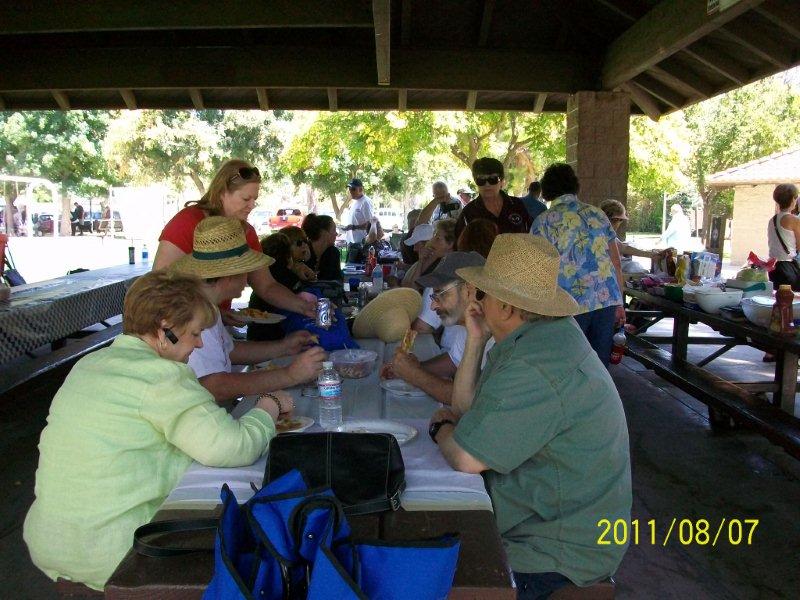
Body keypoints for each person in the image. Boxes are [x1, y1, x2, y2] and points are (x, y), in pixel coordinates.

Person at [23, 271, 293, 591]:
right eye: (194, 332)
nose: (200, 342)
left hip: (52, 541)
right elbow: (233, 447)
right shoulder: (160, 376)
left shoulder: (90, 364)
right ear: (166, 329)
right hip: (114, 551)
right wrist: (269, 407)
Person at [427, 234, 632, 598]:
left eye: (484, 293)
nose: (478, 300)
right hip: (554, 524)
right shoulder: (538, 337)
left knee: (423, 573)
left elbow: (465, 455)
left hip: (554, 552)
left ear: (505, 308)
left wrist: (442, 429)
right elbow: (467, 410)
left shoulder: (536, 362)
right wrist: (475, 339)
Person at [171, 216, 325, 406]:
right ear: (230, 276)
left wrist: (284, 346)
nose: (248, 280)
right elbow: (214, 386)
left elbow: (229, 350)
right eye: (247, 271)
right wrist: (290, 375)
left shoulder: (206, 304)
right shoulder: (192, 312)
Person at [153, 159, 315, 319]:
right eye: (246, 199)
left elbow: (266, 285)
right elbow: (159, 284)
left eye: (254, 200)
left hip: (214, 325)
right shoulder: (187, 223)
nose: (252, 205)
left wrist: (304, 307)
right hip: (182, 323)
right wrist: (209, 314)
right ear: (222, 193)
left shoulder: (245, 231)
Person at [531, 163, 625, 366]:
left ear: (547, 189)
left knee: (568, 364)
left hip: (567, 303)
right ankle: (600, 398)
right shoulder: (598, 214)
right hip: (605, 299)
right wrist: (620, 303)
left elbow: (539, 269)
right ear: (575, 186)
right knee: (599, 365)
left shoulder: (543, 221)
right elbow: (615, 262)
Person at [382, 252, 490, 405]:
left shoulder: (491, 330)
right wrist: (409, 368)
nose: (433, 306)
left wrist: (414, 374)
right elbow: (454, 361)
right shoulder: (468, 322)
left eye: (441, 295)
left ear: (469, 290)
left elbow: (467, 400)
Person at [454, 157, 532, 241]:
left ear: (502, 181)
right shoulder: (468, 212)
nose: (487, 184)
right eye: (481, 180)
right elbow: (460, 246)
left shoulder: (517, 205)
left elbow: (531, 234)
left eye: (493, 179)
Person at [248, 233, 303, 342]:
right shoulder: (288, 277)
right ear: (288, 255)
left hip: (254, 335)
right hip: (278, 336)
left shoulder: (262, 276)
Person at [600, 199, 664, 273]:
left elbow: (623, 247)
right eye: (619, 220)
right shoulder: (602, 233)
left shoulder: (604, 232)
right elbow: (622, 249)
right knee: (635, 268)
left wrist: (651, 255)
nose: (619, 224)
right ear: (615, 219)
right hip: (606, 270)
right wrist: (651, 255)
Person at [402, 219, 456, 292]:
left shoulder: (450, 267)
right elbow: (413, 287)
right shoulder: (437, 259)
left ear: (450, 244)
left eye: (437, 238)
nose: (432, 241)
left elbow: (413, 289)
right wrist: (421, 260)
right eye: (434, 236)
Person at [766, 183, 800, 290]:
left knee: (777, 300)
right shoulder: (794, 220)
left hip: (773, 267)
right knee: (790, 302)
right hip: (787, 268)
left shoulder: (772, 220)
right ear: (792, 200)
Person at [303, 213, 343, 281]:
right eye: (334, 230)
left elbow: (337, 281)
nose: (336, 233)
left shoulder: (333, 253)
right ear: (323, 233)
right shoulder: (303, 251)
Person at [341, 177, 374, 244]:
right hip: (352, 242)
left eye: (353, 189)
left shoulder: (366, 202)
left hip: (361, 243)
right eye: (349, 189)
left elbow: (370, 224)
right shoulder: (354, 202)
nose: (350, 191)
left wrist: (353, 227)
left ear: (361, 189)